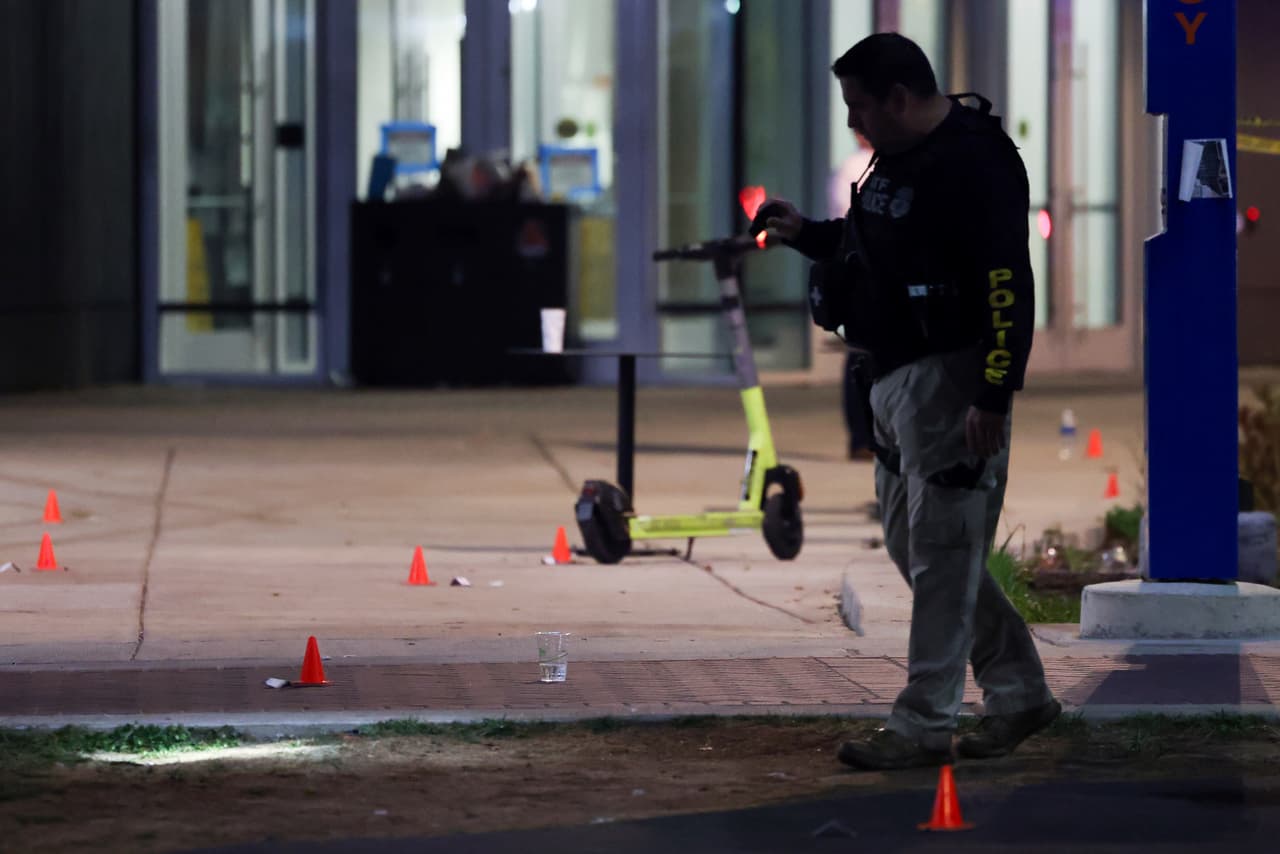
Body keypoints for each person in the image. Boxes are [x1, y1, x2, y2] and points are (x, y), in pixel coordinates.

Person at [761, 33, 1060, 771]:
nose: (854, 123)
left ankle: (924, 722)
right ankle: (1020, 692)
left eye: (859, 106)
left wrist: (993, 391)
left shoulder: (974, 161)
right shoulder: (895, 161)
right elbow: (872, 251)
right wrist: (806, 236)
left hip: (949, 382)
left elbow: (1006, 286)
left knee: (944, 553)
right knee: (916, 547)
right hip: (889, 381)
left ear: (898, 97)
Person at [829, 133, 878, 462]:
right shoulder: (858, 167)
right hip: (865, 271)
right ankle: (864, 436)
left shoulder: (849, 168)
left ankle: (862, 437)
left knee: (861, 355)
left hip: (858, 268)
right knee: (862, 355)